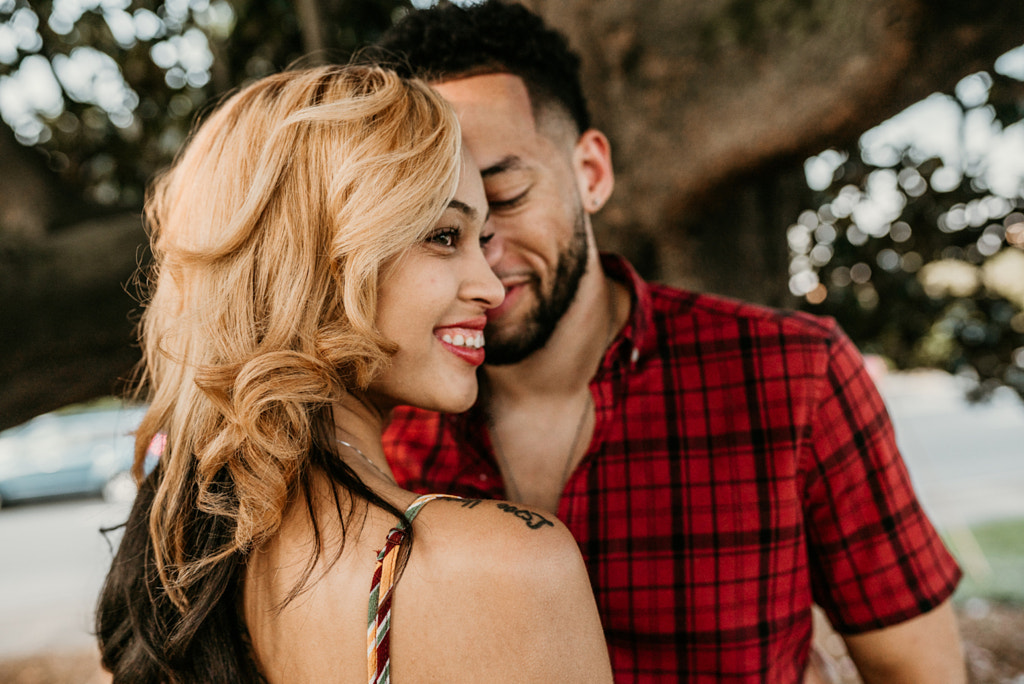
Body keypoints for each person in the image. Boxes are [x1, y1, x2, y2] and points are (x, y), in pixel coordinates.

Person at [372, 3, 967, 682]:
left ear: (591, 173)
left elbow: (920, 673)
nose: (479, 254)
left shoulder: (795, 377)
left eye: (504, 197)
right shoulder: (377, 421)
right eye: (438, 223)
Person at [95, 64, 613, 683]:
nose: (491, 287)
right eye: (445, 236)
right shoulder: (508, 565)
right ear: (317, 258)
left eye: (485, 238)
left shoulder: (179, 560)